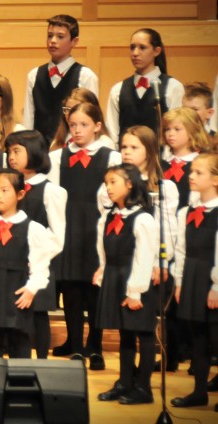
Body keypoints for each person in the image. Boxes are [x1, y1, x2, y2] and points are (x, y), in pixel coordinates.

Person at [48, 102, 121, 369]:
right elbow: (53, 197)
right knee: (71, 289)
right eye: (73, 125)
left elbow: (113, 194)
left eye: (84, 125)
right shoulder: (58, 157)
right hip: (68, 226)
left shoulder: (110, 156)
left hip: (96, 227)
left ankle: (96, 346)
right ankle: (77, 346)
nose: (77, 130)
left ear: (97, 126)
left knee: (94, 290)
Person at [0, 169, 59, 359]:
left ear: (20, 194)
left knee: (20, 341)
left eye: (4, 190)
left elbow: (40, 265)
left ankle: (20, 386)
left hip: (18, 291)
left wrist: (31, 289)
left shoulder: (33, 229)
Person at [94, 164, 160, 405]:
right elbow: (104, 246)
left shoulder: (142, 218)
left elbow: (144, 257)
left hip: (136, 281)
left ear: (130, 184)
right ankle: (125, 382)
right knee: (125, 334)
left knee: (143, 333)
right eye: (106, 183)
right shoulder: (110, 215)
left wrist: (136, 291)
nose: (108, 188)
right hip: (116, 276)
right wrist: (102, 268)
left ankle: (143, 387)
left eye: (114, 182)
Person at [4, 131, 67, 359]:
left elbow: (57, 235)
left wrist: (36, 258)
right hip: (11, 263)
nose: (11, 156)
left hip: (38, 265)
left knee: (38, 314)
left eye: (17, 151)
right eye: (9, 151)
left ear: (34, 152)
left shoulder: (51, 191)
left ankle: (41, 361)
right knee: (13, 314)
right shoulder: (8, 187)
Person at [171, 153, 218, 408]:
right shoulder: (186, 211)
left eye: (199, 173)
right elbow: (181, 250)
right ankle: (199, 391)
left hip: (213, 280)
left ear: (216, 179)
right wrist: (179, 282)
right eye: (191, 171)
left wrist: (217, 285)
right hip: (192, 277)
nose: (191, 176)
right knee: (198, 339)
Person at [23, 14, 99, 141]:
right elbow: (29, 117)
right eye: (49, 35)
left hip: (71, 148)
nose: (53, 40)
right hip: (39, 149)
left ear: (74, 42)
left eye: (60, 37)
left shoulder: (86, 76)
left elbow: (90, 117)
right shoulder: (34, 75)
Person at [106, 28, 185, 139]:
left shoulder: (173, 87)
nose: (135, 53)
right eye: (132, 47)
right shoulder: (118, 89)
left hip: (159, 155)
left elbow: (175, 130)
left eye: (142, 47)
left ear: (157, 51)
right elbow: (112, 132)